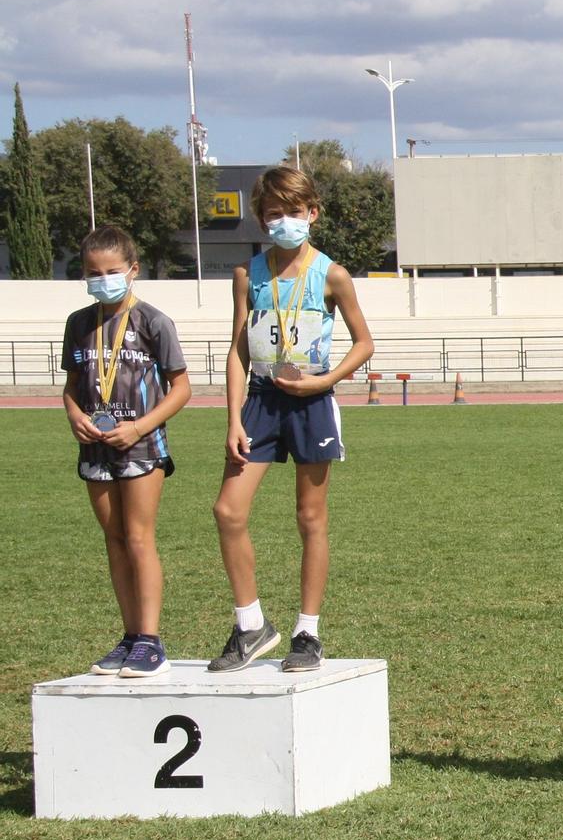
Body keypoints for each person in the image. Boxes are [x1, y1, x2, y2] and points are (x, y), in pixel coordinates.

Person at [208, 167, 376, 673]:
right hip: (260, 399)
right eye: (274, 214)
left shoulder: (332, 275)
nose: (284, 222)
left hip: (310, 402)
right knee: (228, 511)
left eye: (293, 213)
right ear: (262, 219)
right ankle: (251, 624)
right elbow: (239, 348)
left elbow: (364, 343)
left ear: (312, 213)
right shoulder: (247, 274)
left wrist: (325, 383)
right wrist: (233, 417)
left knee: (310, 518)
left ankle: (308, 632)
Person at [63, 226, 192, 678]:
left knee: (138, 539)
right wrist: (74, 415)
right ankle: (130, 635)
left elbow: (181, 388)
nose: (103, 280)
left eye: (112, 271)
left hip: (141, 445)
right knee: (114, 542)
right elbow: (72, 387)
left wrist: (139, 425)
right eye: (93, 273)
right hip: (96, 449)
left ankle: (152, 641)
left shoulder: (153, 321)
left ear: (132, 271)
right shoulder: (78, 324)